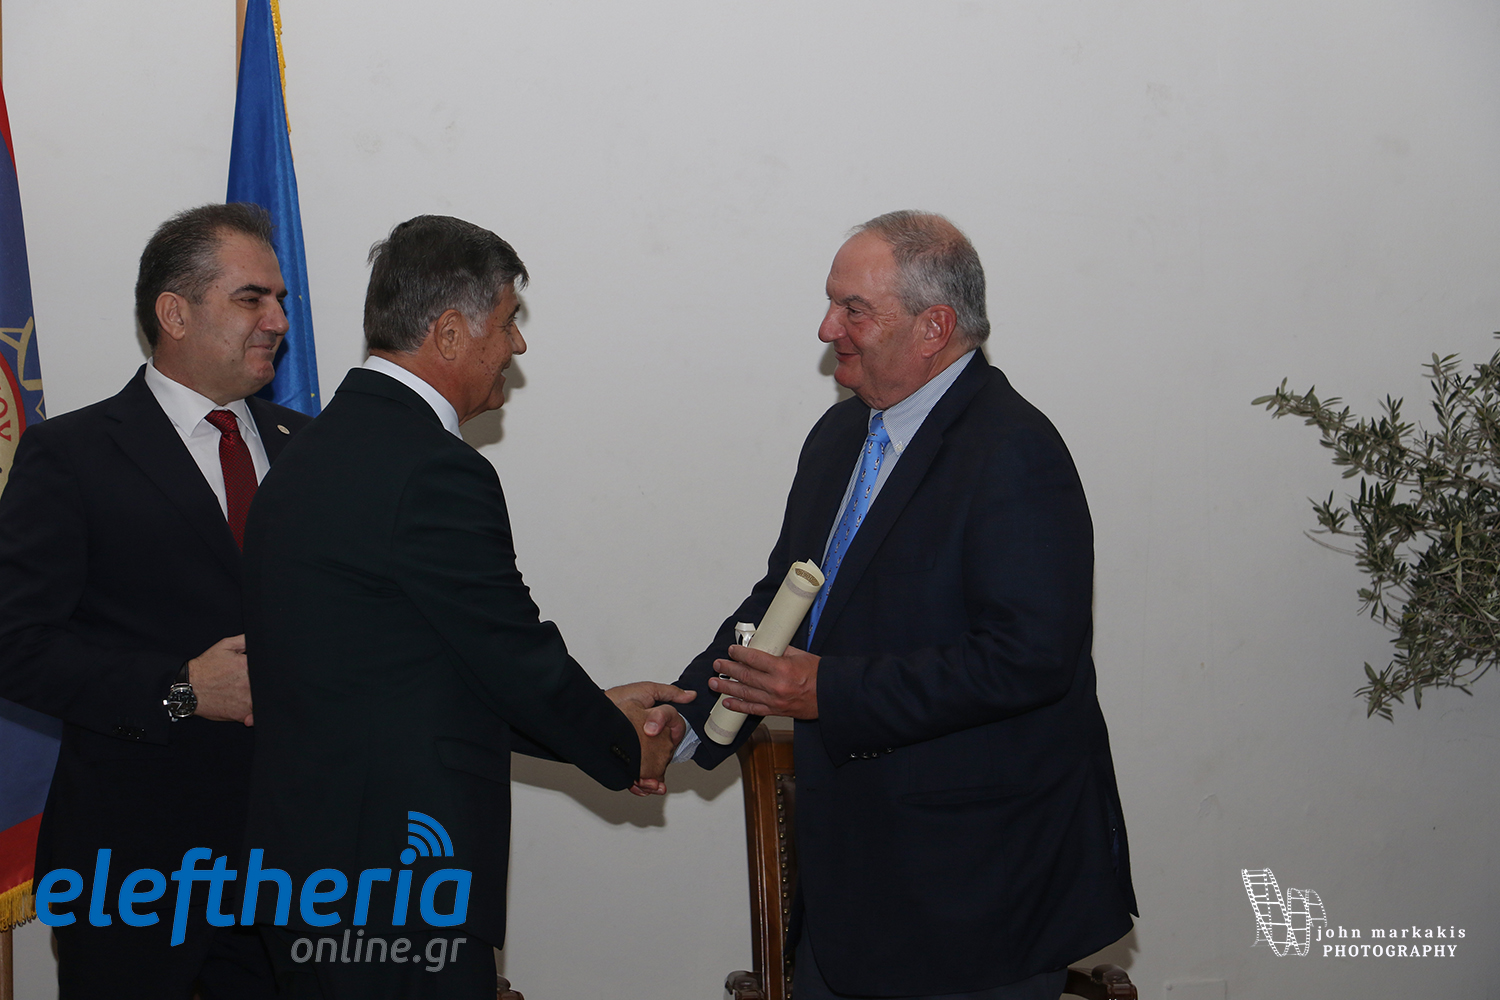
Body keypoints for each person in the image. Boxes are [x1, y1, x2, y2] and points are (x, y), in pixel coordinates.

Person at [675, 212, 1137, 1000]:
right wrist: (685, 719)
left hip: (977, 894)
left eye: (853, 309)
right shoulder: (838, 438)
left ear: (935, 327)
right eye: (831, 303)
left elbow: (1029, 658)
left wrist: (828, 690)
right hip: (851, 891)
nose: (827, 328)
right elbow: (784, 599)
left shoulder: (1014, 449)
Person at [241, 214, 691, 998]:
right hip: (398, 890)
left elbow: (426, 677)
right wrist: (622, 746)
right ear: (450, 333)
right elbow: (513, 655)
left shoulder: (306, 453)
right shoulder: (433, 470)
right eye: (509, 321)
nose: (518, 345)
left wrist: (599, 714)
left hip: (316, 878)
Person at [0, 203, 312, 997]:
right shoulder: (71, 454)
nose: (279, 320)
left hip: (295, 867)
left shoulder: (310, 450)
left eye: (280, 300)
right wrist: (180, 689)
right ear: (174, 313)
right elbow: (15, 644)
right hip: (134, 868)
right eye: (252, 299)